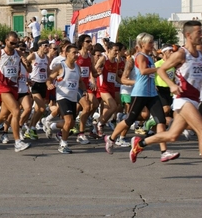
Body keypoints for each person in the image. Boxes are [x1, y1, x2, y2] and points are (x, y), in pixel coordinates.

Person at [130, 21, 202, 162]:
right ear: (188, 35)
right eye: (198, 32)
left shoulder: (199, 55)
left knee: (172, 135)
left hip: (194, 99)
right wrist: (171, 85)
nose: (201, 35)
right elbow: (161, 70)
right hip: (183, 99)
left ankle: (139, 143)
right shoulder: (181, 54)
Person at [104, 32, 178, 162]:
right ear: (142, 44)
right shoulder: (140, 56)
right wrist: (159, 69)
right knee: (129, 120)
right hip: (140, 93)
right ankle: (111, 139)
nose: (152, 44)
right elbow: (143, 71)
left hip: (152, 93)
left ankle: (164, 152)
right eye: (150, 42)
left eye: (153, 42)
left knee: (161, 121)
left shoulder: (150, 57)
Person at [0, 31, 32, 152]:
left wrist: (27, 64)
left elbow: (29, 68)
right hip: (3, 87)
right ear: (6, 41)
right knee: (15, 110)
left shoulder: (19, 53)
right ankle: (17, 142)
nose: (14, 45)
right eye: (12, 43)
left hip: (14, 86)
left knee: (3, 115)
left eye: (16, 43)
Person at [46, 44, 87, 153]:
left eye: (77, 52)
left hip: (73, 98)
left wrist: (84, 91)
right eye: (74, 52)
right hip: (62, 96)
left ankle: (52, 125)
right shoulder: (61, 66)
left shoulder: (77, 67)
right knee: (68, 121)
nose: (76, 55)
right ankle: (63, 145)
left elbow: (80, 81)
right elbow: (49, 78)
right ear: (67, 53)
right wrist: (49, 84)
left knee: (71, 124)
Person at [26, 39, 50, 139]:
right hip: (34, 84)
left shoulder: (47, 58)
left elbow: (48, 72)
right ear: (40, 46)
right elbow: (23, 65)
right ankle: (31, 127)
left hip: (43, 84)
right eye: (45, 45)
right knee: (42, 108)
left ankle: (30, 129)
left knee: (37, 111)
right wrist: (26, 78)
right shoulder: (33, 56)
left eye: (48, 46)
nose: (47, 48)